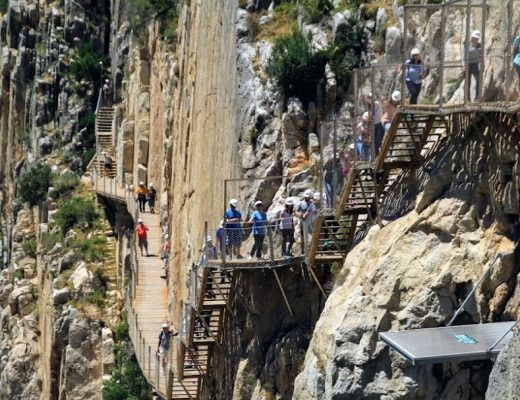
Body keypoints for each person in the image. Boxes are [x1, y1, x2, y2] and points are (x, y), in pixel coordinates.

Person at [462, 30, 482, 101]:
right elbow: (463, 55)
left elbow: (481, 55)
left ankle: (477, 97)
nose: (475, 39)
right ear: (472, 37)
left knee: (479, 80)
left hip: (475, 64)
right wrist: (463, 65)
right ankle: (467, 98)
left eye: (477, 38)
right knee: (467, 82)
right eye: (474, 37)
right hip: (467, 64)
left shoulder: (479, 46)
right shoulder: (467, 45)